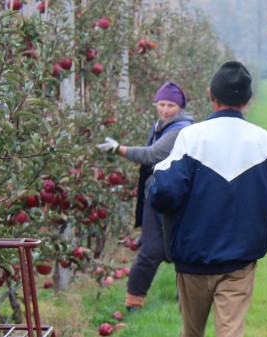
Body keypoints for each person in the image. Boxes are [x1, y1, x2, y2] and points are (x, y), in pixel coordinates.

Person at [148, 61, 267, 337]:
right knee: (230, 332)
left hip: (193, 258)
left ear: (210, 95)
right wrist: (253, 214)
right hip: (240, 259)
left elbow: (165, 193)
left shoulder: (191, 137)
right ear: (248, 100)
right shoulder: (264, 142)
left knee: (191, 331)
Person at [96, 81, 194, 311]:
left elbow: (152, 155)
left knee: (176, 249)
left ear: (180, 107)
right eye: (161, 104)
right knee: (153, 250)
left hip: (173, 195)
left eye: (171, 105)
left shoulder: (180, 129)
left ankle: (189, 302)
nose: (165, 109)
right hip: (157, 192)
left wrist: (119, 149)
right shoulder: (161, 125)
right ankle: (134, 304)